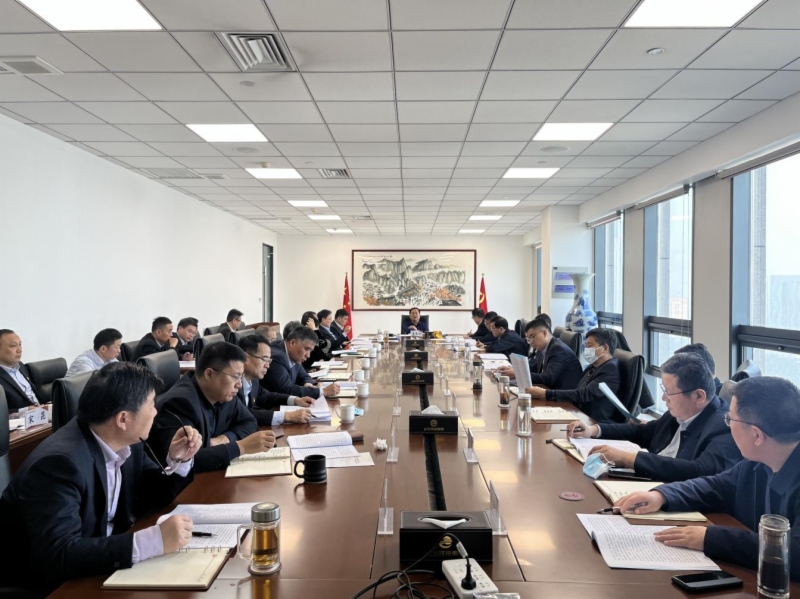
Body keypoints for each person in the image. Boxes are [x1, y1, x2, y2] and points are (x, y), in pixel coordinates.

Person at [0, 362, 201, 595]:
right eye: (151, 404)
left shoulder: (127, 442)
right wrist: (153, 541)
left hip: (101, 565)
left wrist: (178, 459)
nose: (156, 412)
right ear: (123, 419)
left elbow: (153, 494)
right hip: (50, 586)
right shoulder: (59, 464)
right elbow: (60, 554)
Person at [615, 377, 800, 579]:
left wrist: (710, 538)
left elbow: (794, 552)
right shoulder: (756, 462)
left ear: (756, 435)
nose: (728, 425)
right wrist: (662, 496)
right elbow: (716, 486)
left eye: (731, 419)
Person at [567, 353, 741, 482]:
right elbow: (643, 431)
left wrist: (629, 458)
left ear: (698, 396)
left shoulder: (724, 426)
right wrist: (594, 430)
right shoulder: (680, 411)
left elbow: (700, 471)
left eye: (669, 392)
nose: (664, 398)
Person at [149, 342, 273, 473]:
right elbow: (185, 460)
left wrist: (224, 439)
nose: (239, 385)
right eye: (235, 377)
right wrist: (241, 447)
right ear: (209, 374)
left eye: (241, 377)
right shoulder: (179, 403)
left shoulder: (223, 393)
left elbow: (249, 421)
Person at [526, 327, 621, 422]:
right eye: (586, 346)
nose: (586, 349)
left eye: (590, 346)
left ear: (605, 348)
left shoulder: (610, 369)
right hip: (578, 413)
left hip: (592, 421)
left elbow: (585, 394)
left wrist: (546, 393)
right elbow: (579, 390)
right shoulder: (594, 365)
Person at [237, 335, 313, 426]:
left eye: (269, 360)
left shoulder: (253, 380)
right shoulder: (232, 384)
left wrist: (296, 400)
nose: (267, 365)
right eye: (264, 359)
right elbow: (241, 413)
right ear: (246, 358)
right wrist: (286, 416)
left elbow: (267, 397)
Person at [497, 318, 582, 390]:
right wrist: (515, 369)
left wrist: (518, 374)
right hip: (549, 390)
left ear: (544, 333)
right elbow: (534, 367)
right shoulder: (543, 347)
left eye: (532, 336)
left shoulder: (558, 349)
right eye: (528, 339)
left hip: (563, 397)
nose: (531, 342)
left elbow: (549, 378)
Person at [264, 326, 341, 399]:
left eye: (310, 351)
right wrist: (323, 391)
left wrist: (307, 384)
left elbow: (305, 376)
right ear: (293, 343)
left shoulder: (293, 354)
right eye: (307, 349)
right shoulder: (277, 358)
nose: (308, 355)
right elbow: (287, 389)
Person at [0, 329, 44, 410]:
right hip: (22, 417)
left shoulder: (20, 366)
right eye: (13, 346)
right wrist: (24, 410)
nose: (19, 350)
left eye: (20, 345)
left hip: (42, 411)